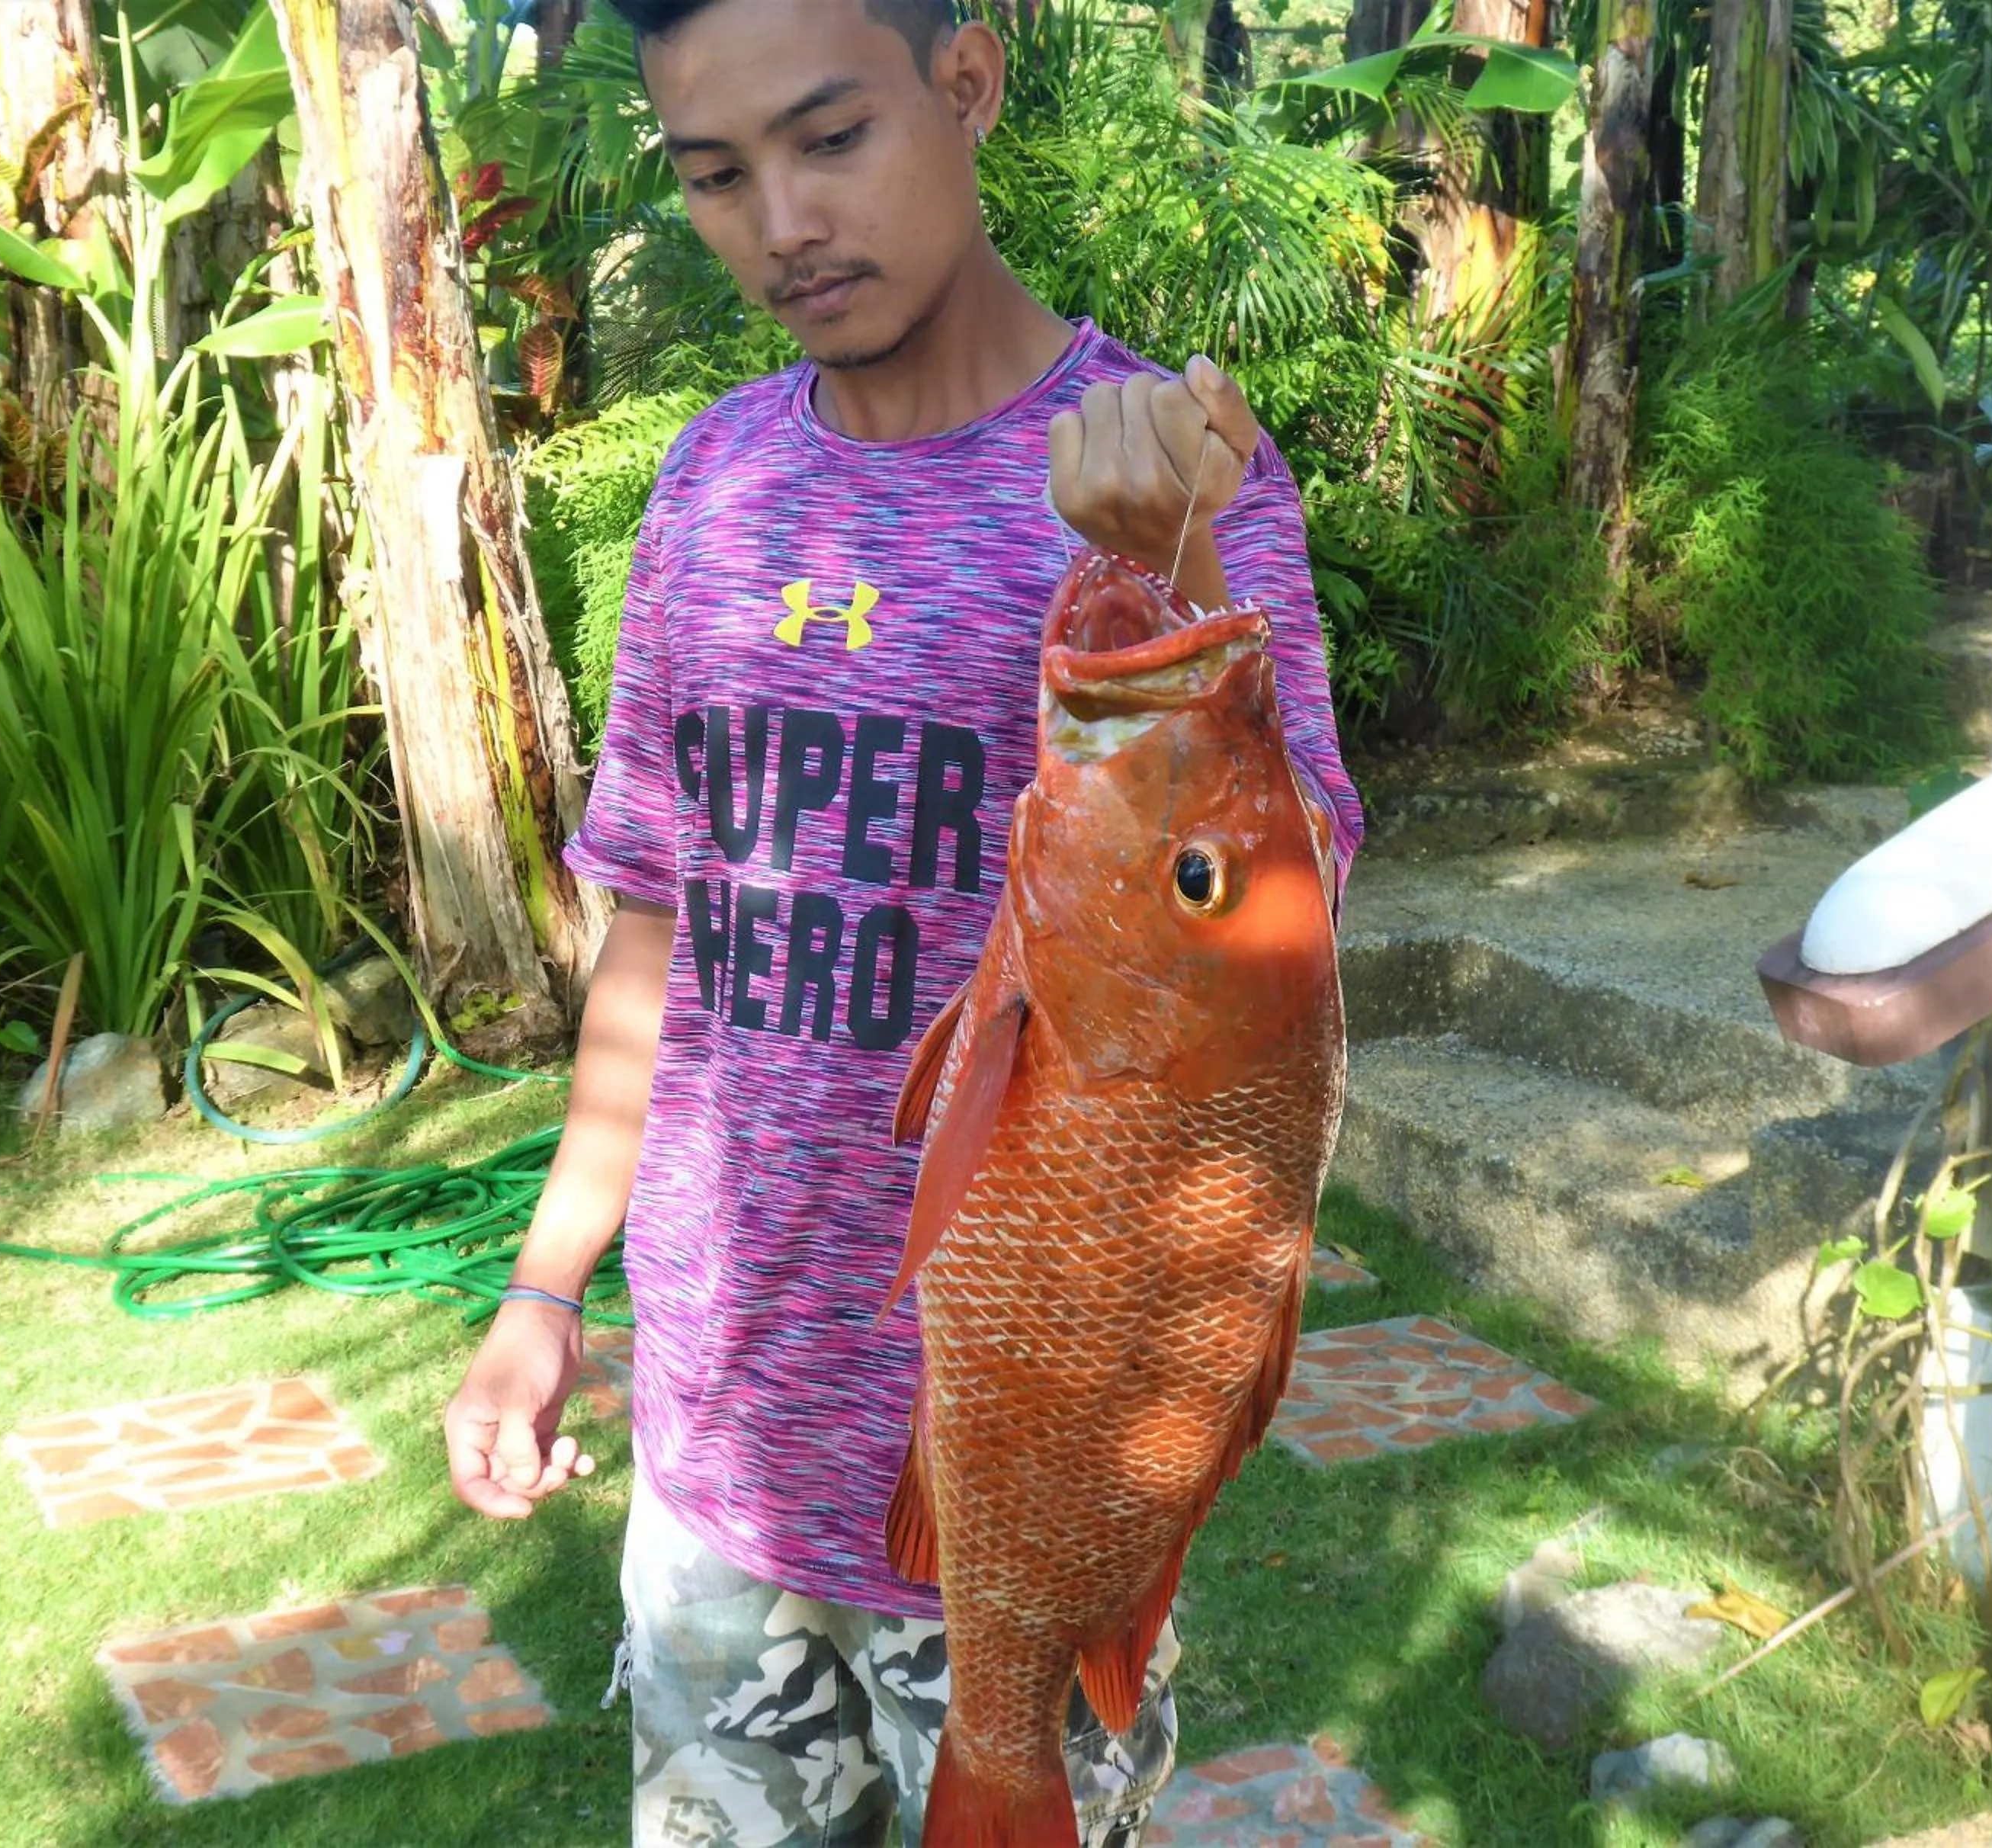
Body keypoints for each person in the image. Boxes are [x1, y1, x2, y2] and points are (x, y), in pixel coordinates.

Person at [443, 1, 1364, 1841]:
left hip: (1042, 1451)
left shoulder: (1175, 468)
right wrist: (547, 1288)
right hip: (722, 1436)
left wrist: (1175, 564)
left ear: (968, 80)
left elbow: (1278, 919)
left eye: (829, 138)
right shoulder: (711, 485)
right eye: (717, 175)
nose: (781, 219)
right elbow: (653, 938)